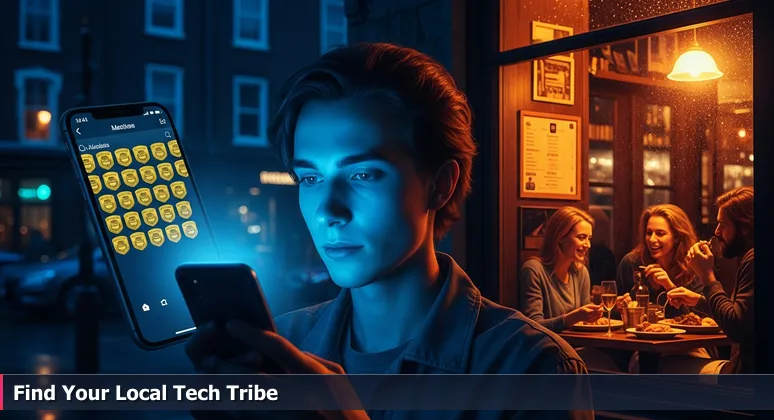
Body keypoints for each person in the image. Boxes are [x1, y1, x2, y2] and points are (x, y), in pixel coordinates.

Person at [185, 43, 593, 419]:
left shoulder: (530, 370)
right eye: (310, 179)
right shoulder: (281, 348)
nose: (329, 210)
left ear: (440, 184)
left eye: (363, 174)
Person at [519, 206, 624, 372]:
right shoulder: (534, 270)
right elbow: (533, 327)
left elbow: (585, 321)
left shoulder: (580, 271)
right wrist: (571, 318)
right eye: (581, 237)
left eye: (589, 238)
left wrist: (608, 309)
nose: (588, 244)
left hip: (578, 351)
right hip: (547, 354)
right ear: (560, 237)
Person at [617, 204, 715, 373]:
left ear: (677, 237)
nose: (652, 239)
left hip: (689, 347)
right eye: (648, 233)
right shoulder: (632, 263)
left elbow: (702, 319)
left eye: (660, 233)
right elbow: (615, 317)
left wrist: (669, 286)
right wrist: (621, 307)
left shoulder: (693, 265)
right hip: (643, 348)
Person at [668, 186, 754, 374]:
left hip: (747, 378)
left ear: (745, 228)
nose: (716, 232)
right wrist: (699, 301)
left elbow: (736, 327)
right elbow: (741, 316)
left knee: (662, 366)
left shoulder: (754, 260)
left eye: (723, 225)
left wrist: (707, 276)